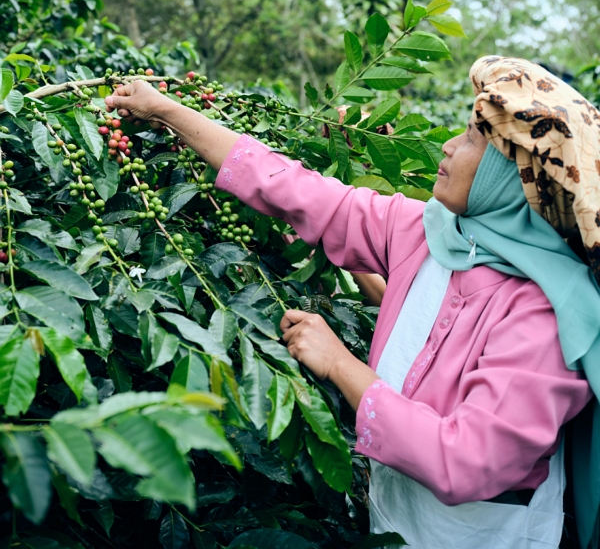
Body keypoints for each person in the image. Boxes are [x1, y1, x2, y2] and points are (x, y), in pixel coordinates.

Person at [105, 56, 600, 549]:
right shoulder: (432, 233)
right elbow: (298, 189)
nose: (448, 146)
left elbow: (467, 462)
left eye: (472, 139)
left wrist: (341, 364)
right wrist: (167, 111)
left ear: (510, 179)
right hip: (393, 514)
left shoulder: (549, 316)